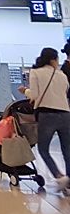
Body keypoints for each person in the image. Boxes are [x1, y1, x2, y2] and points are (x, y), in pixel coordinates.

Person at [24, 46, 70, 190]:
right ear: (53, 60)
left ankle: (59, 176)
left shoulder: (36, 72)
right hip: (65, 114)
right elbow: (65, 92)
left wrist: (25, 91)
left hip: (47, 114)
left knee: (43, 149)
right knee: (67, 150)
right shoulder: (62, 75)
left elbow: (34, 95)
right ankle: (69, 181)